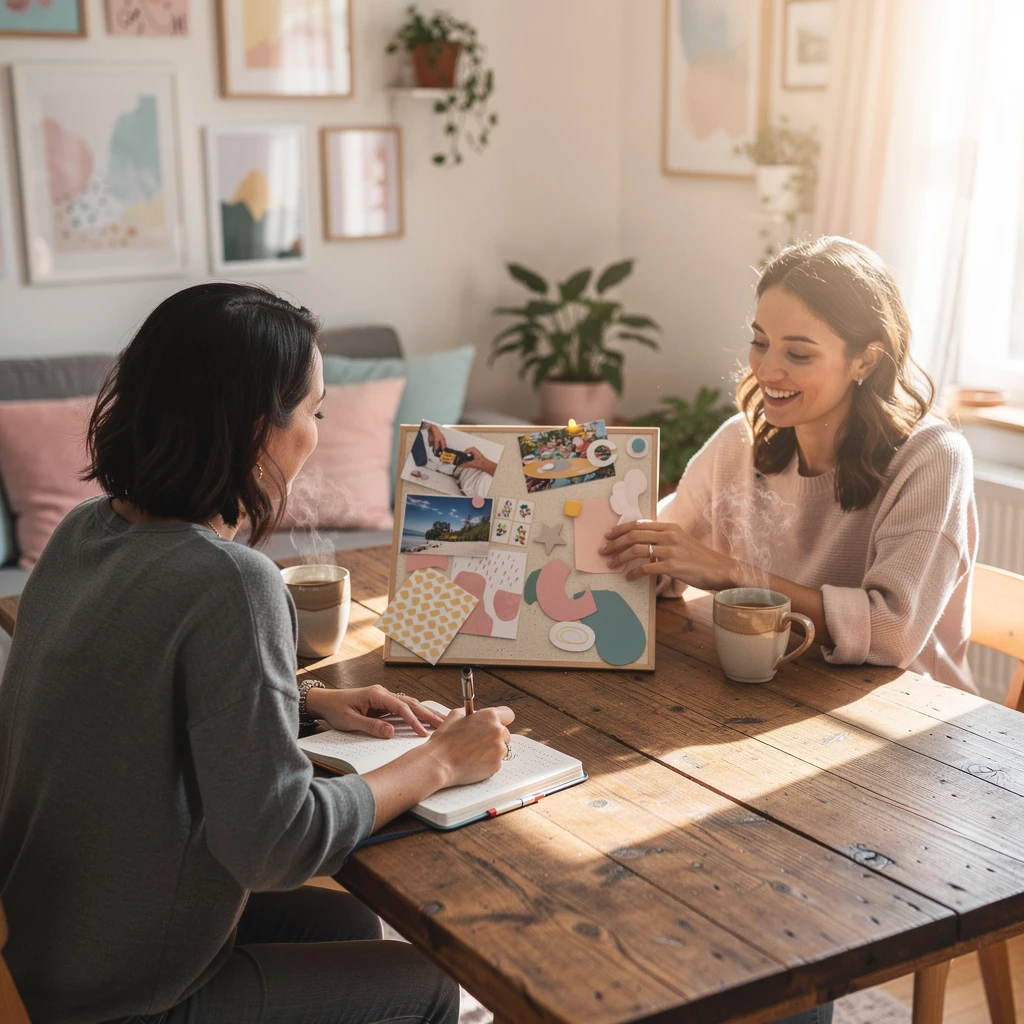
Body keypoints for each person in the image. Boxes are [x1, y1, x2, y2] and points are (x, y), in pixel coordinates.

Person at [0, 282, 514, 1024]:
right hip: (118, 996)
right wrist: (440, 760)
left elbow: (120, 691)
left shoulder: (84, 532)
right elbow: (278, 843)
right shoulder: (231, 581)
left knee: (337, 924)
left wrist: (300, 700)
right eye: (314, 412)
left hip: (48, 942)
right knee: (429, 984)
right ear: (254, 430)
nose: (317, 433)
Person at [604, 235, 978, 691]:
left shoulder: (932, 459)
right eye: (760, 342)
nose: (766, 370)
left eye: (798, 354)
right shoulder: (741, 442)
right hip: (773, 694)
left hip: (906, 722)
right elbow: (659, 558)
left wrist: (729, 573)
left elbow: (890, 633)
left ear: (865, 360)